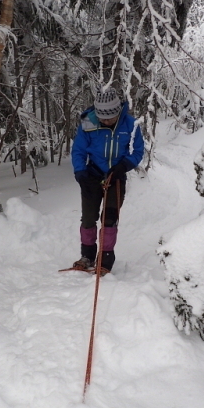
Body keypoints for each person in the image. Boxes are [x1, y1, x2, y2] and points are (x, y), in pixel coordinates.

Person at [71, 87, 144, 275]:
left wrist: (124, 166)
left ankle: (105, 257)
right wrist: (80, 172)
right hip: (92, 174)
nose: (105, 121)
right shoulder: (88, 123)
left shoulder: (130, 124)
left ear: (117, 112)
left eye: (109, 118)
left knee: (109, 219)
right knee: (88, 218)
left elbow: (137, 151)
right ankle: (87, 255)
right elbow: (78, 150)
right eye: (102, 117)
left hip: (116, 176)